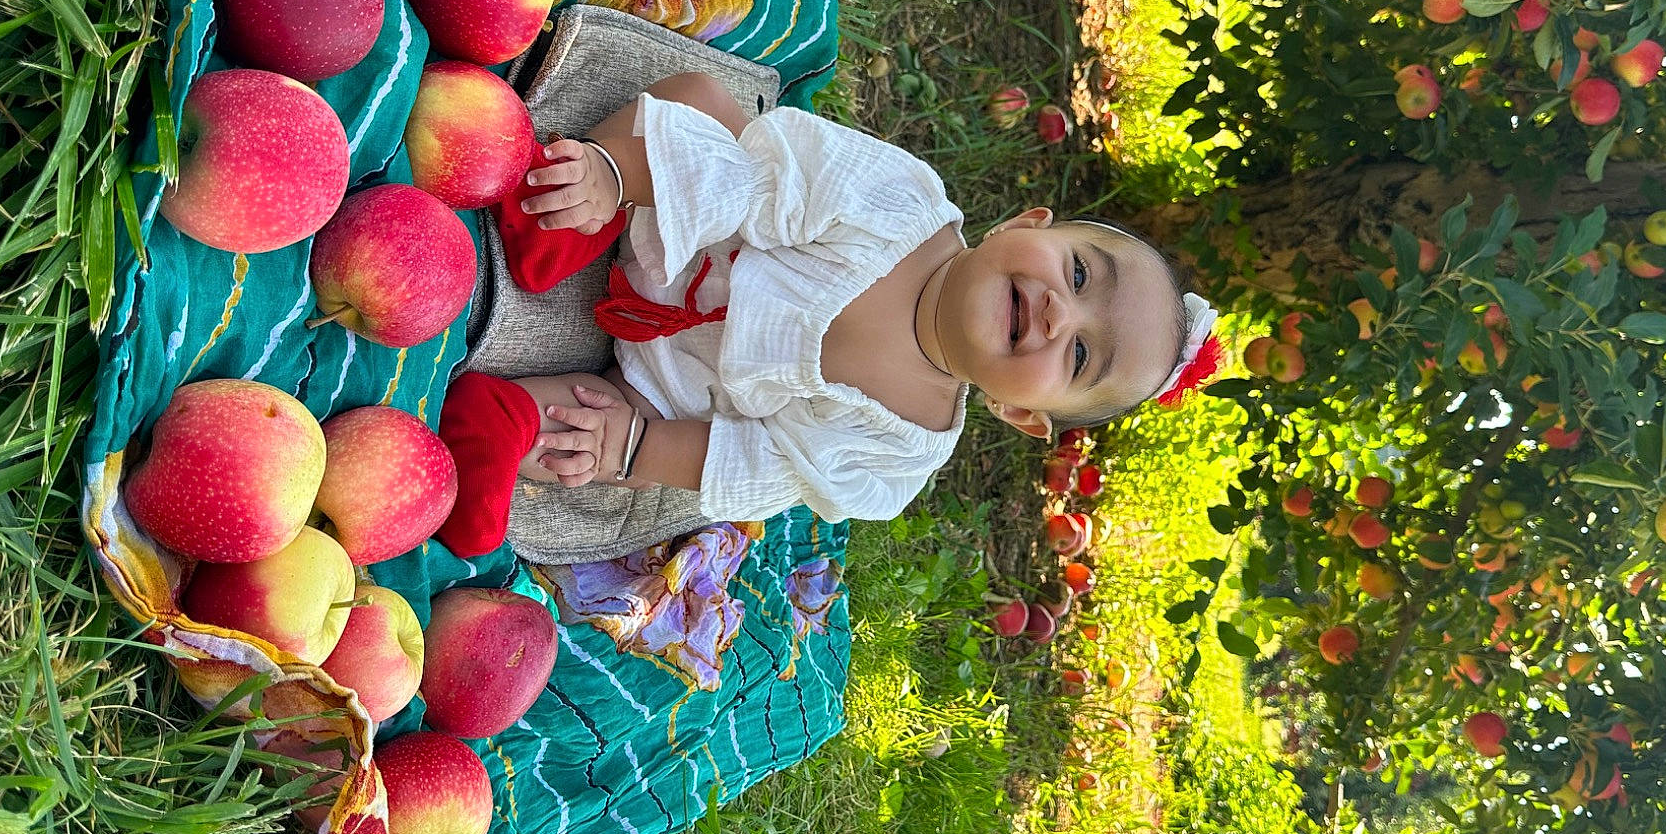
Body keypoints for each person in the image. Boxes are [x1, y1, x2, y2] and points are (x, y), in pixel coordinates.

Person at [434, 70, 1219, 556]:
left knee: (592, 440)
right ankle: (580, 201)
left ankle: (504, 423)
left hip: (670, 386)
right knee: (701, 104)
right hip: (687, 224)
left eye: (1079, 356)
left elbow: (761, 460)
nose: (1057, 315)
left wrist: (633, 446)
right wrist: (628, 182)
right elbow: (756, 183)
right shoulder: (902, 206)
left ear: (1019, 413)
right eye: (1077, 274)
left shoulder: (898, 452)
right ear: (1024, 225)